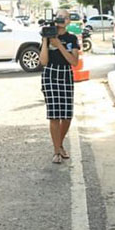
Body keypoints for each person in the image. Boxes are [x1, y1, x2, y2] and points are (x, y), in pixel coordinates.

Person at [40, 9, 80, 164]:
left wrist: (59, 45)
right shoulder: (48, 35)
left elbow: (74, 62)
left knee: (67, 115)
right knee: (54, 114)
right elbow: (43, 62)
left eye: (64, 17)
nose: (60, 19)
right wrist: (46, 41)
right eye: (58, 16)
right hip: (50, 75)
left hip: (65, 74)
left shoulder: (72, 38)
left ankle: (60, 144)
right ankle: (57, 151)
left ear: (69, 21)